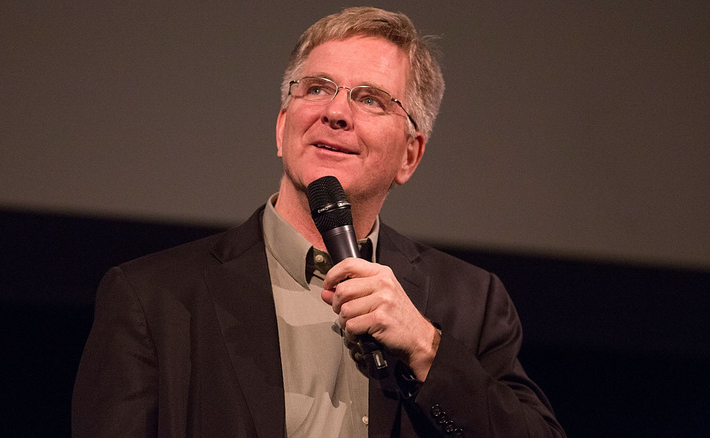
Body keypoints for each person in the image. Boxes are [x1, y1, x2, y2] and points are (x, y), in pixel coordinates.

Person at [72, 6, 566, 438]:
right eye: (317, 88)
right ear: (283, 126)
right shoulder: (153, 299)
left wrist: (424, 346)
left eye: (371, 99)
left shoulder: (470, 304)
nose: (335, 112)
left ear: (410, 156)